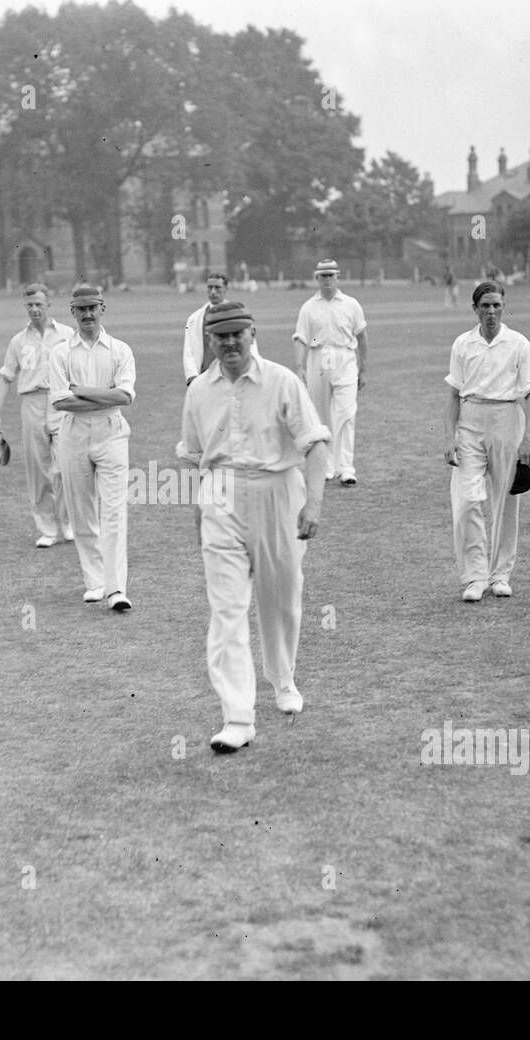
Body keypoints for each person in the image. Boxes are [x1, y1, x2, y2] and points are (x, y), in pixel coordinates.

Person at [178, 301, 330, 754]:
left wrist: (314, 504)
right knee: (226, 608)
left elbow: (315, 444)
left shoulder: (282, 380)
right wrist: (198, 508)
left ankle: (283, 678)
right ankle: (237, 717)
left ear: (252, 334)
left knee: (280, 596)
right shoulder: (199, 391)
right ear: (209, 340)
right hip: (220, 497)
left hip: (278, 492)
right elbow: (191, 454)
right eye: (219, 337)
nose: (228, 344)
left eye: (236, 336)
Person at [443, 281, 530, 601]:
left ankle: (500, 574)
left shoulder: (518, 343)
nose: (492, 311)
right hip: (470, 422)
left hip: (507, 420)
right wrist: (449, 437)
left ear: (503, 307)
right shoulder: (462, 344)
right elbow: (454, 395)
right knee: (466, 500)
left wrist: (529, 438)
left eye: (497, 305)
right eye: (485, 305)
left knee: (504, 503)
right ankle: (475, 577)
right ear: (475, 309)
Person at [48, 284, 135, 611]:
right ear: (72, 312)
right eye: (80, 309)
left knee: (113, 512)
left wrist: (81, 391)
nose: (87, 315)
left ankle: (116, 590)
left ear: (102, 308)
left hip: (111, 432)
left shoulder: (119, 350)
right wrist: (102, 395)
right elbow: (60, 401)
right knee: (82, 512)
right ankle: (95, 582)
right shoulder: (60, 352)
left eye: (92, 308)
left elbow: (125, 397)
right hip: (73, 435)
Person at [0, 283, 75, 547]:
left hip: (61, 402)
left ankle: (69, 523)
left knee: (64, 468)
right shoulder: (18, 341)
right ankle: (47, 529)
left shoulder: (67, 335)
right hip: (32, 403)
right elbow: (6, 377)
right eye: (30, 305)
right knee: (39, 471)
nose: (35, 309)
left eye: (39, 304)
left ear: (49, 304)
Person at [292, 259, 368, 486]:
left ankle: (346, 468)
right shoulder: (308, 307)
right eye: (323, 276)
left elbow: (362, 338)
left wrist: (363, 369)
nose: (327, 280)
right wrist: (300, 368)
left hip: (345, 358)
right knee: (321, 416)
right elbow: (301, 339)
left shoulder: (351, 304)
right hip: (318, 360)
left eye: (331, 275)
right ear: (316, 278)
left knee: (346, 413)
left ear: (338, 276)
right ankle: (325, 466)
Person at [181, 271, 260, 386]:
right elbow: (188, 350)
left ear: (226, 288)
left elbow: (251, 345)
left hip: (234, 378)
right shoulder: (193, 319)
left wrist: (254, 371)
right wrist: (192, 376)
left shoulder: (239, 314)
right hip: (204, 380)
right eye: (210, 288)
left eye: (217, 288)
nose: (213, 292)